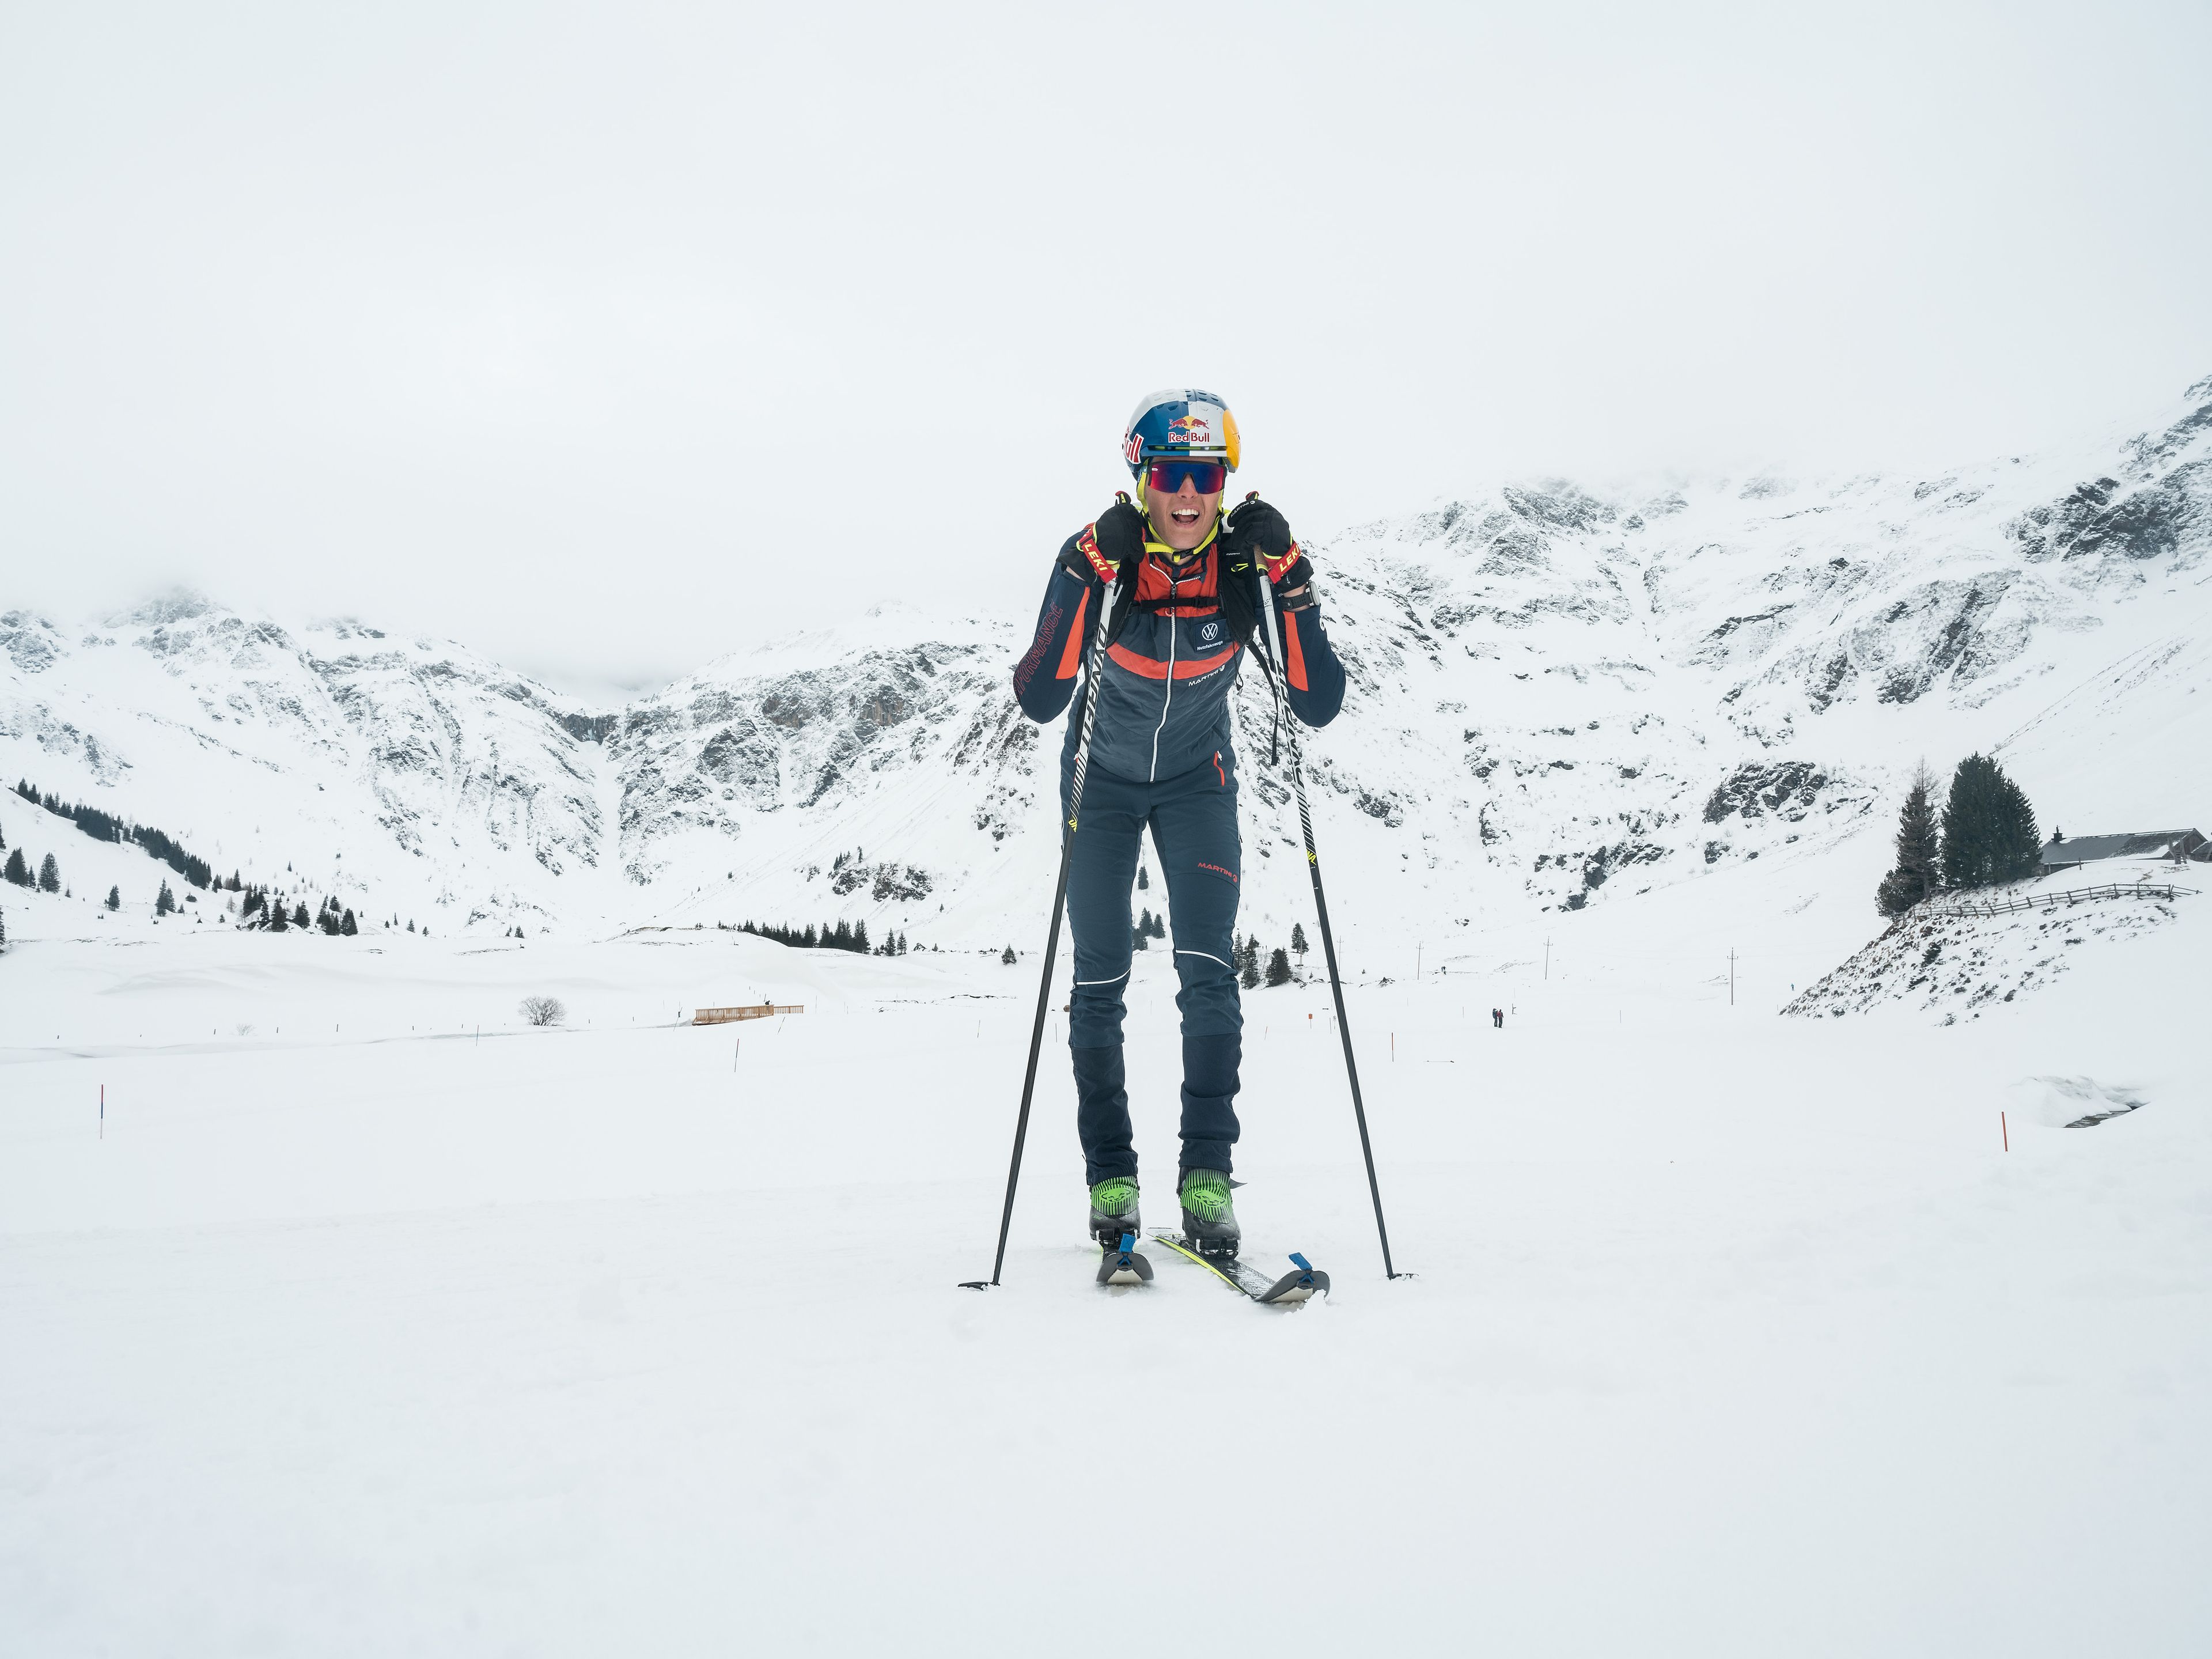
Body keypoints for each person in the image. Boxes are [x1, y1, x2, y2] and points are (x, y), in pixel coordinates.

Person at [1012, 389, 1346, 1258]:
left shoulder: (1241, 568)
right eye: (1170, 474)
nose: (1188, 493)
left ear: (1226, 481)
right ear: (1142, 478)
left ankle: (1206, 1180)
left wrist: (1292, 576)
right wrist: (1085, 565)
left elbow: (1318, 704)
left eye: (1206, 474)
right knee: (1101, 981)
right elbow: (1041, 695)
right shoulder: (1108, 558)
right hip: (1103, 783)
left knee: (1208, 975)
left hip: (1199, 784)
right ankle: (1111, 1179)